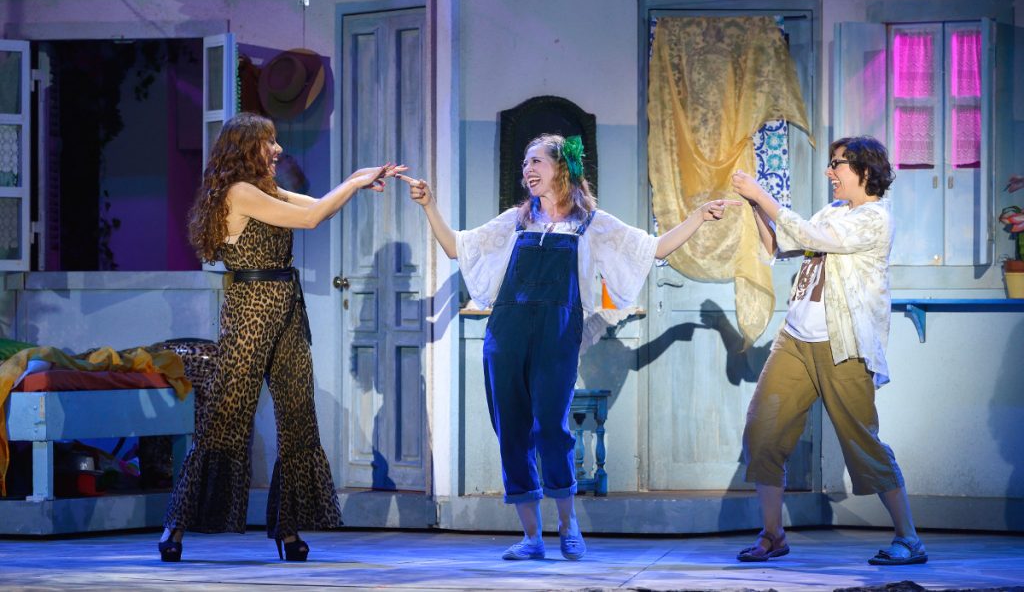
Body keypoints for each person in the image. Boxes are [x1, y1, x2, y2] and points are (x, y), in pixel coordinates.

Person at [399, 133, 738, 560]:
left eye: (536, 161)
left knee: (551, 430)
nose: (527, 169)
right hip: (506, 335)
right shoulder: (515, 221)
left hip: (557, 337)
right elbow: (456, 248)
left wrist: (697, 218)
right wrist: (430, 205)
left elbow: (652, 249)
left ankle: (567, 522)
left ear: (561, 168)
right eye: (525, 163)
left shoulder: (591, 223)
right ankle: (531, 537)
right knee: (512, 432)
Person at [158, 112, 404, 563]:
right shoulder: (240, 192)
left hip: (287, 307)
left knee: (297, 416)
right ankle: (176, 523)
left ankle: (287, 528)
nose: (278, 149)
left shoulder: (265, 189)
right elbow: (310, 219)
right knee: (227, 417)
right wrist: (353, 183)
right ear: (246, 148)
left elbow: (317, 204)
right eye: (269, 142)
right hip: (251, 307)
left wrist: (357, 181)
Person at [731, 135, 926, 566]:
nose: (830, 172)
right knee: (763, 432)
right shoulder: (834, 210)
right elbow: (781, 244)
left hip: (844, 345)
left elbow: (811, 234)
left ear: (865, 170)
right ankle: (772, 534)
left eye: (837, 164)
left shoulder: (875, 218)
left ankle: (909, 538)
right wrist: (755, 207)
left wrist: (762, 195)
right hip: (796, 340)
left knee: (862, 441)